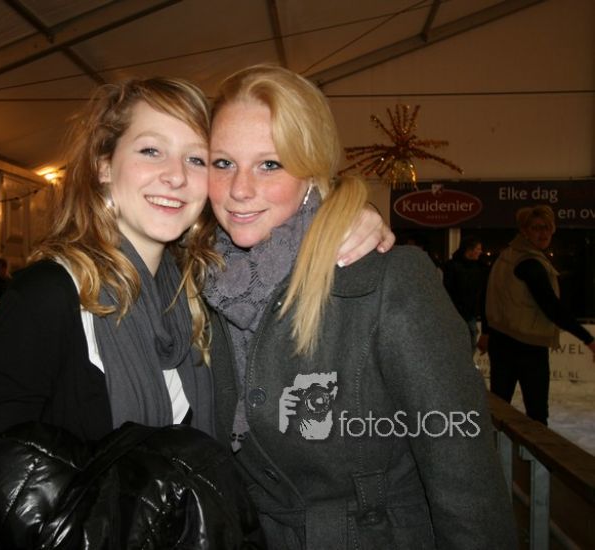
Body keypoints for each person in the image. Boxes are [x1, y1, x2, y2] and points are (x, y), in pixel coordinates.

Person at [0, 76, 393, 549]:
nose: (176, 176)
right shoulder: (49, 297)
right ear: (104, 165)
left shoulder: (204, 296)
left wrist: (347, 215)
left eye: (196, 159)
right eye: (151, 151)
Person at [201, 65, 516, 549]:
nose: (239, 189)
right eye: (223, 163)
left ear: (312, 173)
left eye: (270, 164)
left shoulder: (389, 279)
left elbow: (465, 477)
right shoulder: (201, 283)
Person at [482, 205, 595, 425]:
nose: (543, 233)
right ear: (524, 231)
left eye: (547, 228)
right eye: (536, 228)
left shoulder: (507, 255)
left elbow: (487, 294)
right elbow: (551, 307)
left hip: (501, 341)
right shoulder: (529, 263)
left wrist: (487, 330)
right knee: (536, 415)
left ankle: (492, 446)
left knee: (499, 409)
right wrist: (588, 339)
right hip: (527, 346)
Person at [442, 236, 487, 349]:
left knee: (471, 343)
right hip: (456, 314)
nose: (480, 251)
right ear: (469, 249)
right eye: (478, 249)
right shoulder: (452, 266)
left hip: (471, 314)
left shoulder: (480, 267)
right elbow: (448, 291)